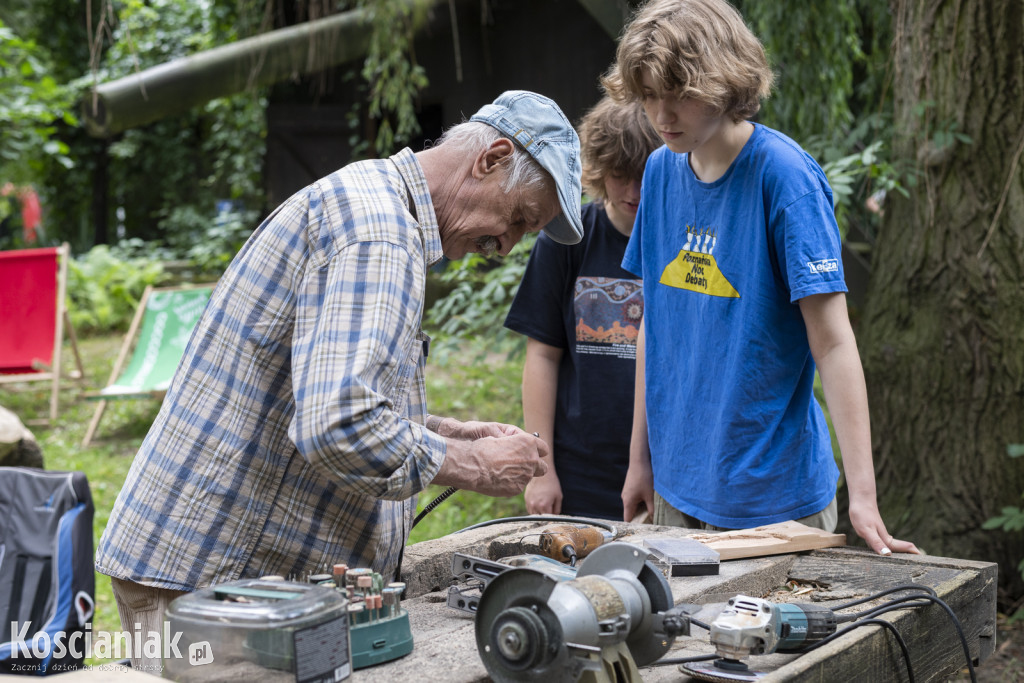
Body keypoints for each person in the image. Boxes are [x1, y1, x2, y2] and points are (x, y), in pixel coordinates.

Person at [94, 90, 583, 674]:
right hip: (215, 588)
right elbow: (337, 424)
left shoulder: (372, 204)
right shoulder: (378, 235)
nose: (505, 247)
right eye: (520, 219)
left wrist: (452, 431)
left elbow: (321, 395)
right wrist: (472, 466)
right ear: (491, 158)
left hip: (215, 577)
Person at [602, 0, 919, 556]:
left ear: (723, 80)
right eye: (649, 95)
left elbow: (835, 341)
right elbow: (654, 321)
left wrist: (863, 496)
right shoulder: (657, 171)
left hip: (774, 498)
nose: (661, 113)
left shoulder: (787, 178)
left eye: (678, 93)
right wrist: (640, 461)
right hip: (677, 490)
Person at [504, 96, 661, 520]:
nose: (633, 191)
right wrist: (542, 469)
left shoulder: (682, 243)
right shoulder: (568, 240)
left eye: (645, 177)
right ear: (598, 169)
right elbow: (542, 355)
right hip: (579, 471)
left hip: (666, 472)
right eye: (620, 175)